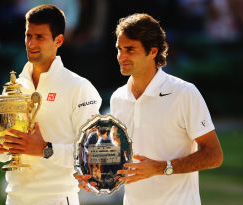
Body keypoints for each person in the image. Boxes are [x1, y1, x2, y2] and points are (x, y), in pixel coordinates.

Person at [77, 13, 223, 204]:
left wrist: (161, 167)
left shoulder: (184, 93)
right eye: (119, 49)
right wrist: (92, 175)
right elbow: (116, 159)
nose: (122, 56)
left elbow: (214, 155)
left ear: (153, 52)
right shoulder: (117, 98)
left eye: (130, 49)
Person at [0, 4, 101, 205]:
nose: (31, 43)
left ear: (58, 40)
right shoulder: (13, 88)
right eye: (28, 36)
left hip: (56, 198)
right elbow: (4, 157)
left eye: (39, 37)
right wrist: (0, 147)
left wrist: (46, 149)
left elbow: (93, 154)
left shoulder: (79, 87)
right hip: (15, 197)